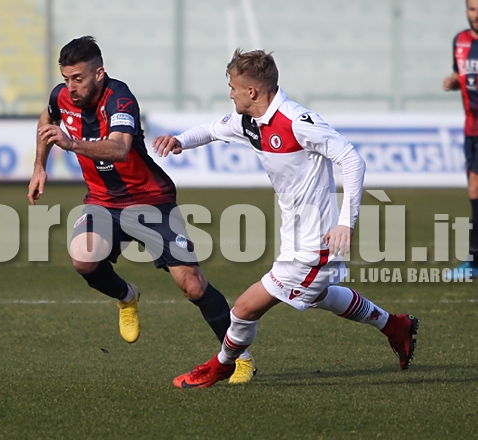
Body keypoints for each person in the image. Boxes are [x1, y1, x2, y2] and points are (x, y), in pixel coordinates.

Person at [152, 49, 419, 388]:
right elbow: (212, 130)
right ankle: (394, 326)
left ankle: (221, 365)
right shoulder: (250, 121)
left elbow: (352, 161)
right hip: (293, 235)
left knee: (244, 310)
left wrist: (345, 223)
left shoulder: (296, 122)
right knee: (321, 295)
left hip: (317, 242)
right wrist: (179, 141)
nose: (230, 93)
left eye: (233, 87)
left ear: (252, 92)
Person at [27, 36, 255, 384]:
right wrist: (40, 168)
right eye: (67, 78)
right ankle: (127, 296)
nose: (71, 87)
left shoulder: (119, 98)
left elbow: (119, 149)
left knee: (193, 286)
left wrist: (71, 143)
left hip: (151, 201)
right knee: (82, 258)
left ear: (99, 73)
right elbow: (48, 118)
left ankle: (240, 358)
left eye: (79, 78)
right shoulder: (61, 96)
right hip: (103, 201)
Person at [443, 0, 478, 279]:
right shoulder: (461, 40)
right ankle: (474, 259)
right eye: (472, 8)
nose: (476, 15)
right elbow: (463, 74)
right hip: (471, 129)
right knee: (474, 193)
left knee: (476, 190)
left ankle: (474, 259)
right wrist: (455, 81)